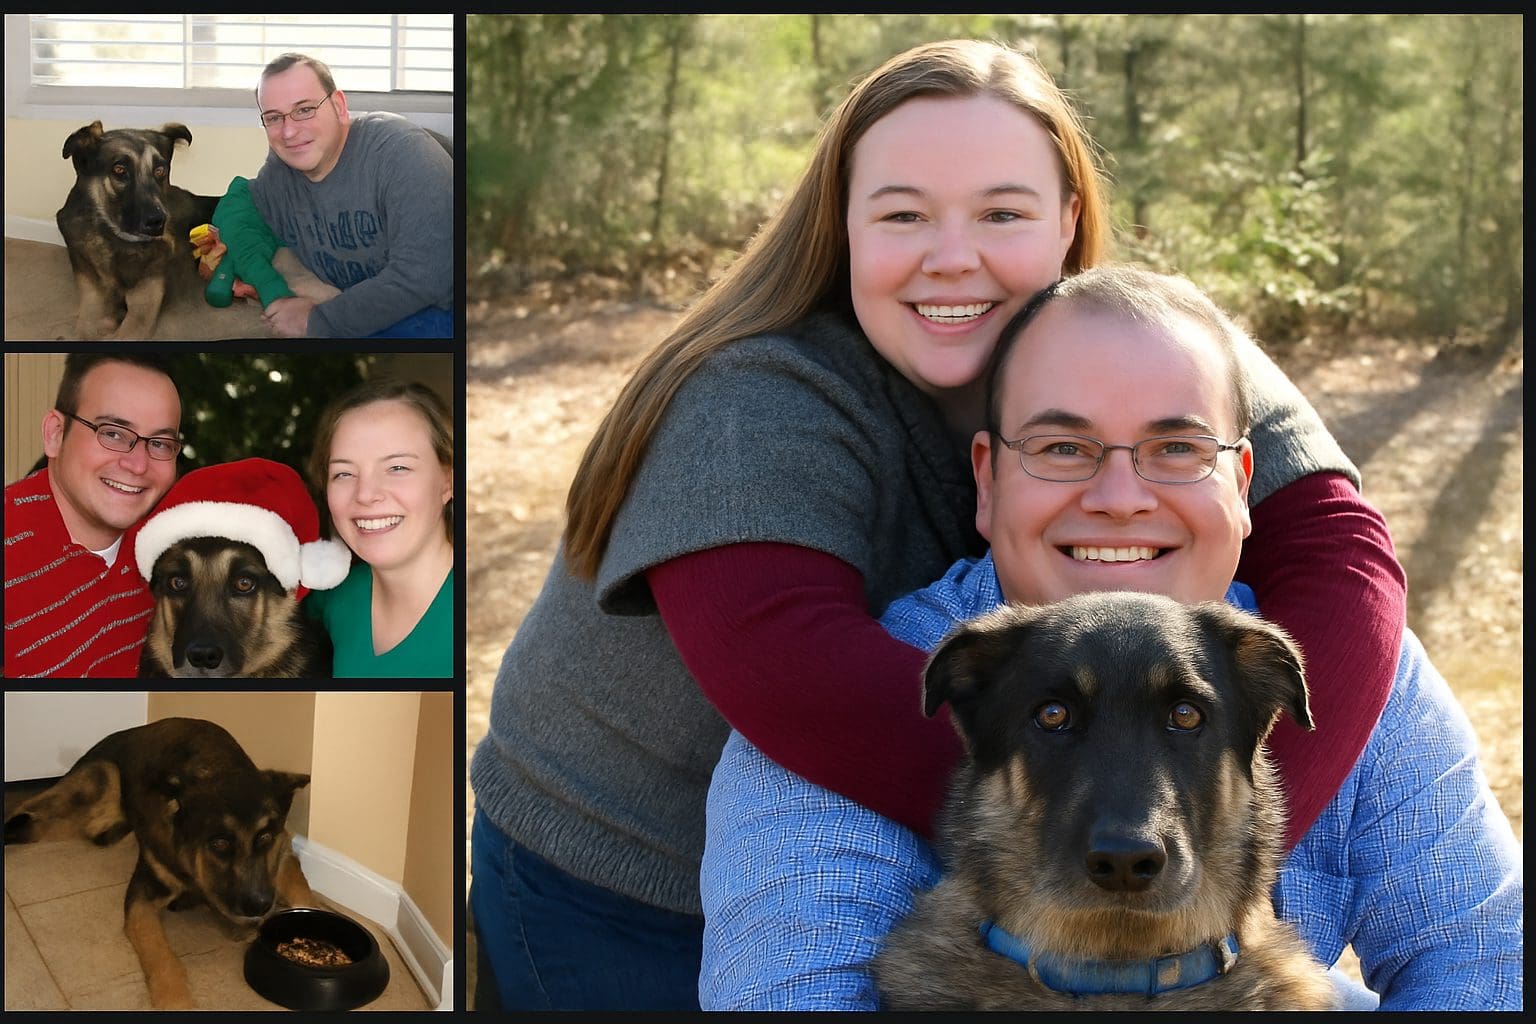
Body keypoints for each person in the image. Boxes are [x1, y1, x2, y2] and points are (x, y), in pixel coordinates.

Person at [469, 39, 1405, 1012]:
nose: (954, 256)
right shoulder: (755, 401)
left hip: (937, 863)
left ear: (1070, 223)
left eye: (1002, 213)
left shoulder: (1139, 341)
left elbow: (1347, 557)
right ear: (842, 227)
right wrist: (1137, 808)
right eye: (904, 214)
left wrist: (1180, 804)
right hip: (627, 881)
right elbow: (797, 677)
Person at [700, 266, 1523, 1011]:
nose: (1121, 497)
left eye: (1176, 448)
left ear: (1241, 485)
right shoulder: (846, 703)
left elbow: (1486, 960)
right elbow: (786, 991)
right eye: (1065, 448)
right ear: (987, 481)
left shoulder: (1355, 665)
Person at [250, 52, 453, 339]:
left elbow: (427, 276)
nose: (289, 131)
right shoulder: (278, 175)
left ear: (339, 106)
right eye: (273, 117)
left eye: (305, 109)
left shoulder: (402, 153)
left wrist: (317, 321)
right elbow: (244, 211)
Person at [4, 354, 181, 678]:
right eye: (112, 433)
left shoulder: (166, 550)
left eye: (159, 443)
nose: (138, 465)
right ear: (56, 434)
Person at [305, 380, 455, 677]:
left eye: (398, 468)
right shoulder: (333, 595)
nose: (365, 494)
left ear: (448, 480)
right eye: (344, 473)